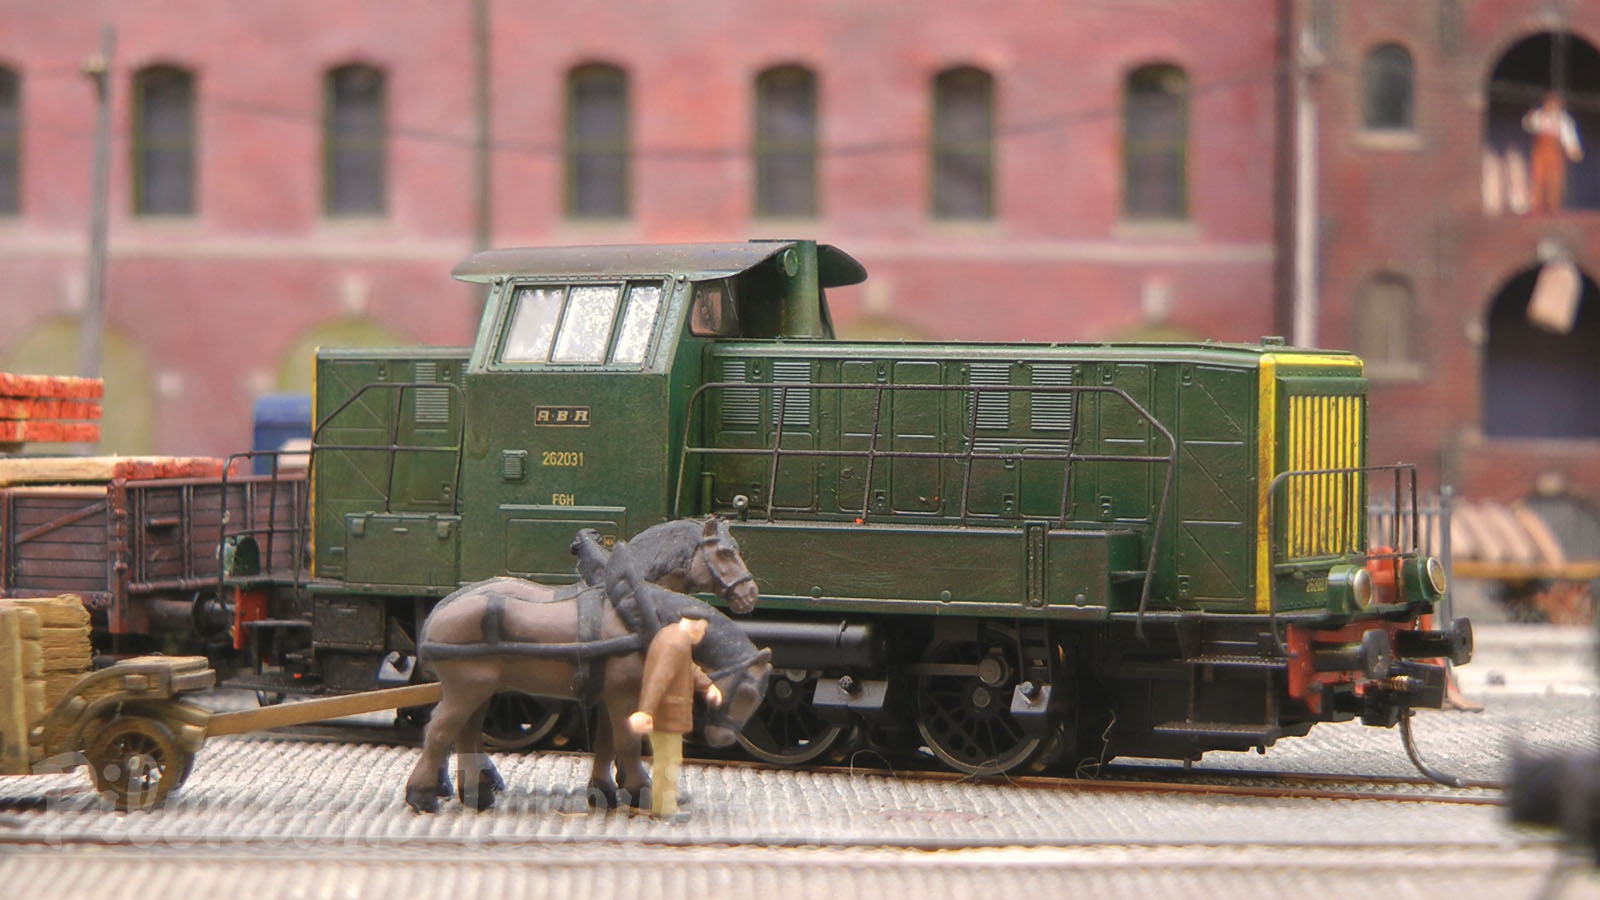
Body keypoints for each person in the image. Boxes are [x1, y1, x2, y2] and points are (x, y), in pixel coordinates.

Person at [628, 609, 722, 819]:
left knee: (668, 759)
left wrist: (707, 686)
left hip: (666, 712)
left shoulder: (673, 634)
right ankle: (664, 810)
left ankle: (665, 800)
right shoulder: (676, 644)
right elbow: (658, 680)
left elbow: (687, 667)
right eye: (704, 629)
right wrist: (646, 712)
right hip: (666, 714)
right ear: (697, 626)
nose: (704, 634)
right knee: (668, 760)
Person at [1523, 93, 1584, 214]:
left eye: (1554, 104)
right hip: (1540, 153)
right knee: (1538, 179)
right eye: (1549, 103)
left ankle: (1554, 208)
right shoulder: (1538, 116)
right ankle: (1536, 208)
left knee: (1555, 181)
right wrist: (1529, 119)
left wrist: (1573, 149)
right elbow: (1528, 126)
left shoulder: (1564, 120)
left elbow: (1569, 137)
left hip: (1555, 154)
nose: (1551, 106)